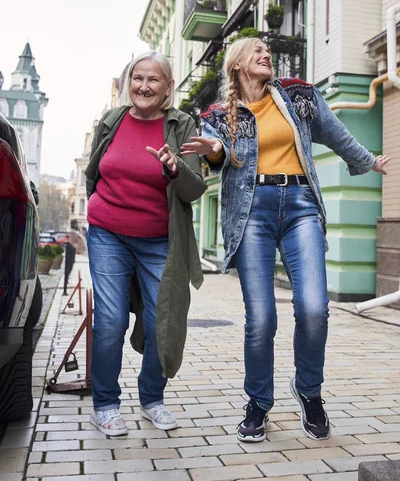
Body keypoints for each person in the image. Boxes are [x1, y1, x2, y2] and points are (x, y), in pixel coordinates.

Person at [181, 37, 390, 443]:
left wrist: (367, 160)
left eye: (267, 51)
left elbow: (334, 132)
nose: (265, 54)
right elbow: (218, 154)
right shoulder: (220, 114)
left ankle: (309, 391)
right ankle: (258, 403)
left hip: (301, 206)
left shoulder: (298, 96)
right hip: (251, 212)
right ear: (238, 65)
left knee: (314, 308)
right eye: (256, 50)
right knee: (261, 319)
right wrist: (213, 151)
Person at [84, 51, 205, 436]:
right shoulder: (112, 120)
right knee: (110, 320)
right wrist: (93, 207)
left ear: (168, 87)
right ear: (127, 83)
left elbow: (195, 188)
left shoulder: (181, 124)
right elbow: (94, 171)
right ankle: (105, 404)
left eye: (154, 80)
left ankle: (152, 398)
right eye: (137, 78)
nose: (144, 86)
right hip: (108, 233)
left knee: (162, 322)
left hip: (159, 241)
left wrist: (174, 168)